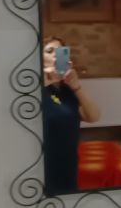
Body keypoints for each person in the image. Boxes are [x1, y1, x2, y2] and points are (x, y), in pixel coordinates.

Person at [42, 37, 100, 194]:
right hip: (43, 166)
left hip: (68, 162)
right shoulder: (34, 91)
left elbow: (93, 117)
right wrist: (44, 82)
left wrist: (76, 86)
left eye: (60, 52)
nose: (56, 55)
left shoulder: (67, 91)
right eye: (49, 51)